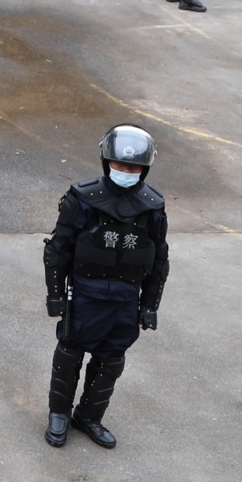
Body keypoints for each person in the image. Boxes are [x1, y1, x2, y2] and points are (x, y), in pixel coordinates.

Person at [42, 124, 168, 450]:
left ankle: (89, 416)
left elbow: (159, 260)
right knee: (70, 353)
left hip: (126, 297)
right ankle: (59, 413)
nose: (126, 172)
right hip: (86, 293)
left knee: (111, 360)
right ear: (106, 162)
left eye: (134, 167)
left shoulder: (152, 206)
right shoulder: (82, 199)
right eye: (120, 165)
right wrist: (55, 295)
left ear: (145, 168)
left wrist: (149, 305)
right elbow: (58, 250)